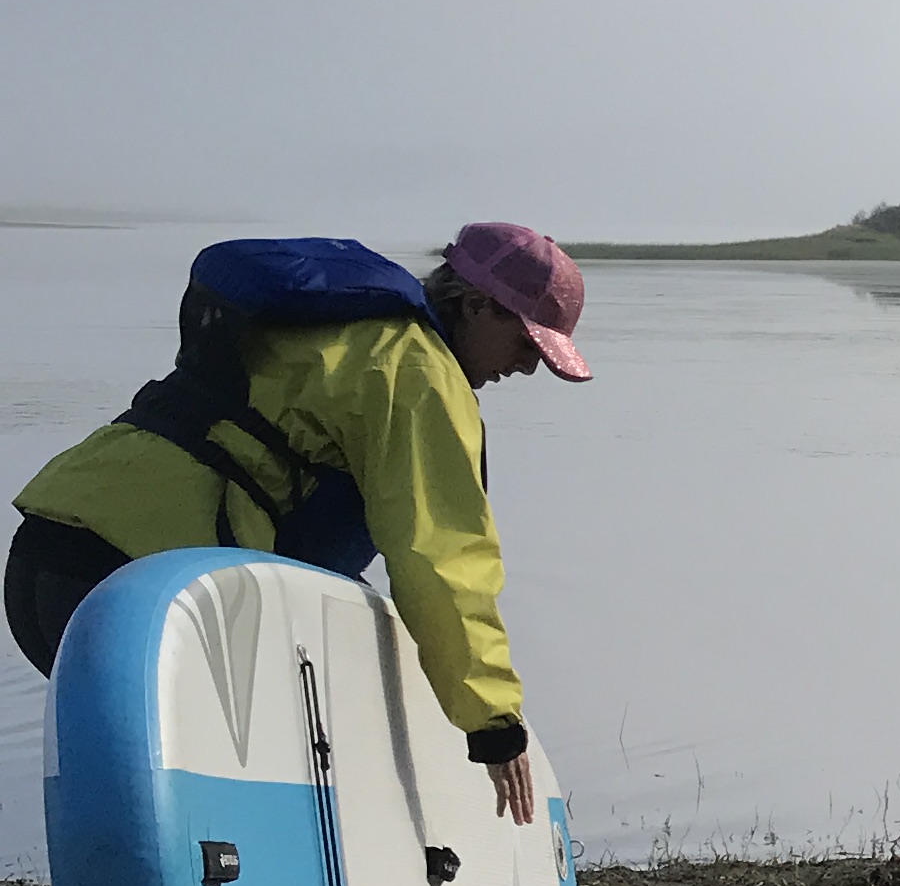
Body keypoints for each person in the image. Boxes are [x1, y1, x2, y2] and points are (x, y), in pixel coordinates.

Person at [9, 224, 591, 825]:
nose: (528, 367)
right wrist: (493, 722)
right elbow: (442, 558)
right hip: (149, 591)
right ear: (475, 304)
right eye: (526, 342)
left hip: (49, 551)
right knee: (216, 796)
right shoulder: (419, 373)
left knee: (157, 788)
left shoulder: (336, 329)